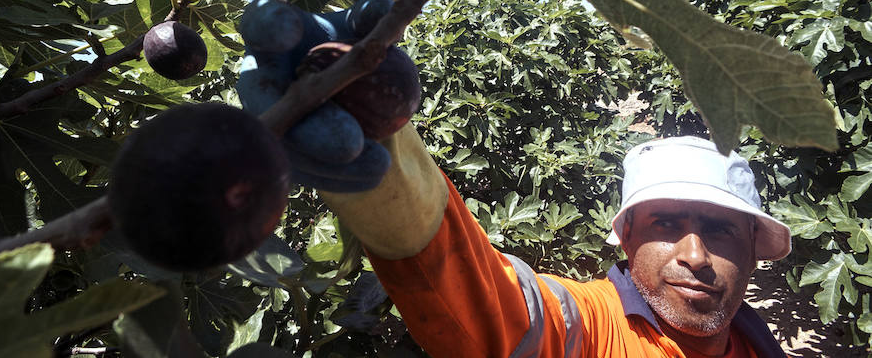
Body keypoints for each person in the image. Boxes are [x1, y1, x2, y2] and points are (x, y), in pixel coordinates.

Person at [319, 126, 792, 358]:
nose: (694, 255)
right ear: (627, 239)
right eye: (665, 224)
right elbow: (496, 308)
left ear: (754, 247)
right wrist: (383, 148)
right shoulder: (587, 326)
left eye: (721, 229)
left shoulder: (755, 341)